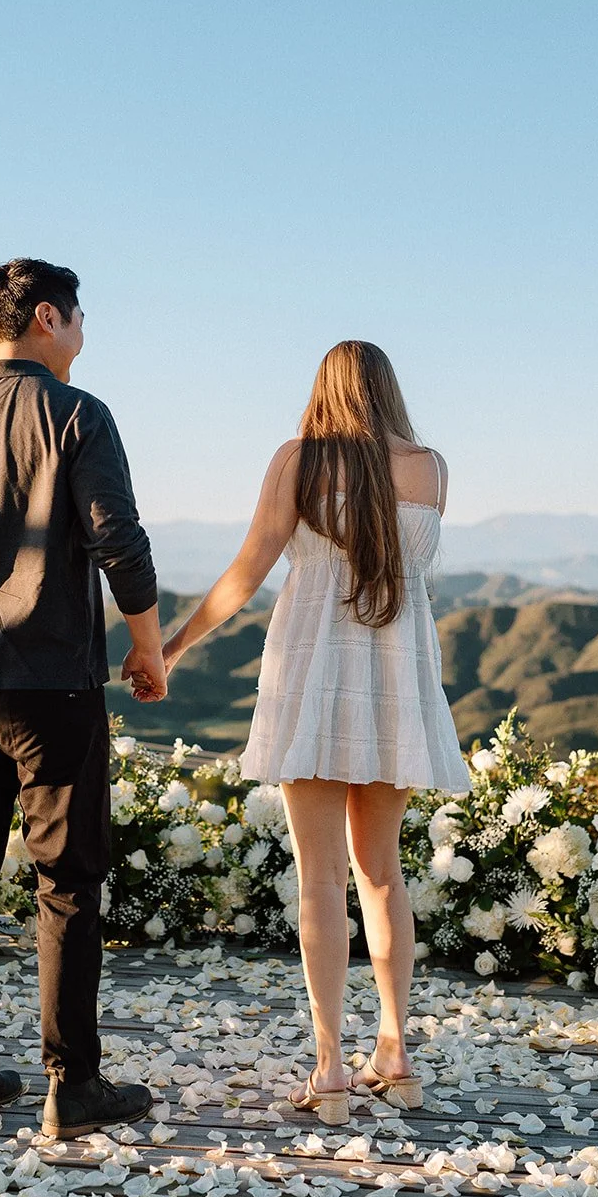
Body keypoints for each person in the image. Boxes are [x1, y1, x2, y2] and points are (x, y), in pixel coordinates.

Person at [161, 340, 471, 1125]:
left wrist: (171, 646)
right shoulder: (431, 469)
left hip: (313, 685)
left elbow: (246, 572)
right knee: (382, 875)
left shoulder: (297, 461)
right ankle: (394, 1053)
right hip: (395, 690)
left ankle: (329, 1067)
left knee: (320, 882)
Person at [0, 257, 167, 1135]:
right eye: (79, 316)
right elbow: (117, 540)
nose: (84, 332)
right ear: (48, 317)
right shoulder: (76, 413)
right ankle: (72, 1085)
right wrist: (146, 645)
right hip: (50, 680)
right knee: (66, 883)